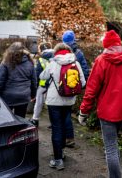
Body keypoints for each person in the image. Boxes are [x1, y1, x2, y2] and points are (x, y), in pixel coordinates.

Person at [78, 30, 122, 178]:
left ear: (106, 45)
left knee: (110, 148)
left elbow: (91, 90)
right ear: (119, 44)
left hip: (107, 112)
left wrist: (83, 111)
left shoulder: (101, 61)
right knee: (113, 145)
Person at [40, 42, 86, 170]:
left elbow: (42, 76)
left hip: (54, 101)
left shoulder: (53, 62)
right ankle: (62, 152)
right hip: (69, 100)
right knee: (65, 126)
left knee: (56, 128)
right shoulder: (75, 62)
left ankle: (58, 159)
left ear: (56, 51)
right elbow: (83, 82)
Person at [62, 30, 90, 147]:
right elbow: (84, 70)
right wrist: (81, 83)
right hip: (73, 86)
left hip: (61, 86)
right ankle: (69, 138)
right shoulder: (78, 53)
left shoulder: (59, 52)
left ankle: (64, 139)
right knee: (67, 112)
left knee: (62, 114)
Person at [0, 42, 37, 118]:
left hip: (8, 96)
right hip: (24, 96)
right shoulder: (30, 63)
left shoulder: (6, 62)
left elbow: (0, 81)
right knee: (20, 120)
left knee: (5, 119)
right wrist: (33, 95)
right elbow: (34, 81)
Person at [30, 42, 54, 126]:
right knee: (52, 104)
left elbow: (37, 75)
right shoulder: (57, 57)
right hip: (55, 85)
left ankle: (35, 119)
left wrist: (34, 87)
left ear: (42, 49)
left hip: (43, 85)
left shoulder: (41, 59)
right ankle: (53, 123)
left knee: (39, 102)